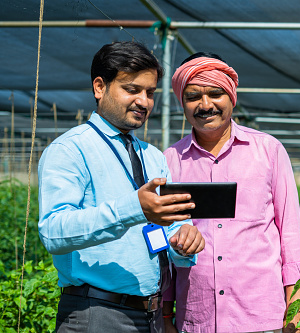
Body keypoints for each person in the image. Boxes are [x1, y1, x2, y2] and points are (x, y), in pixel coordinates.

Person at [38, 41, 205, 333]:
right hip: (97, 313)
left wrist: (183, 241)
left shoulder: (152, 156)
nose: (144, 101)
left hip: (150, 315)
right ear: (100, 87)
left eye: (150, 92)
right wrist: (132, 209)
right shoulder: (70, 150)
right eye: (132, 89)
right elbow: (53, 231)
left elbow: (170, 230)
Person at [162, 52, 300, 333]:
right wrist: (165, 317)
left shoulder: (268, 151)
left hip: (260, 316)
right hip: (196, 319)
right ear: (182, 103)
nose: (205, 105)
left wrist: (296, 310)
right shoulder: (170, 160)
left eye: (215, 93)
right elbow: (164, 242)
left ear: (232, 97)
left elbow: (290, 235)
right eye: (193, 96)